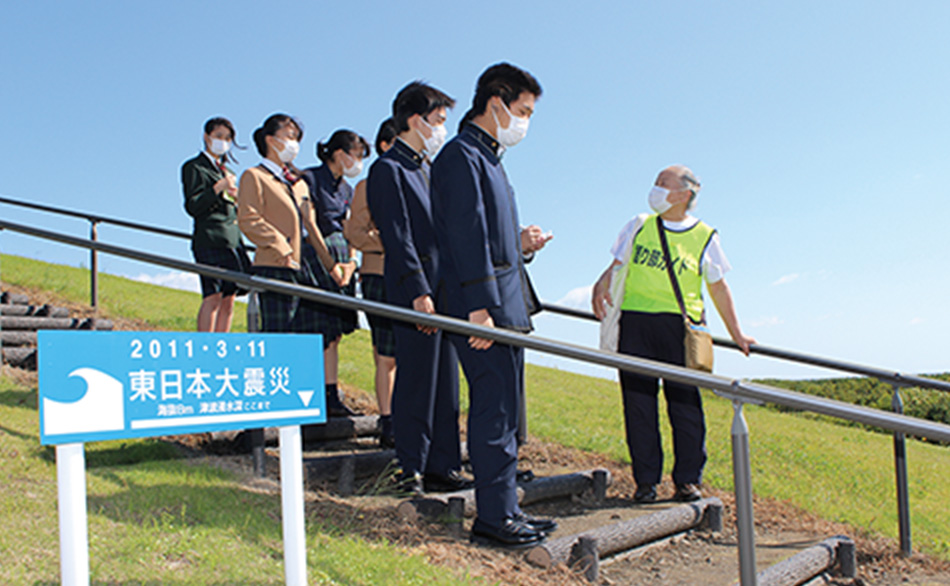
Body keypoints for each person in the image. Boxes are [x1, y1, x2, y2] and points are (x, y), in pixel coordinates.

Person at [430, 63, 555, 548]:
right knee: (493, 412)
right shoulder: (462, 156)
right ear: (496, 103)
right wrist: (478, 308)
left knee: (506, 411)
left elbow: (490, 237)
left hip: (503, 303)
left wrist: (521, 244)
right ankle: (494, 518)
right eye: (522, 110)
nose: (525, 121)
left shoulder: (489, 159)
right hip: (482, 309)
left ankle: (507, 508)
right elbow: (465, 235)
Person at [591, 165, 756, 504]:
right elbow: (617, 266)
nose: (655, 188)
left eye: (662, 183)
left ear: (684, 193)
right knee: (639, 406)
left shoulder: (705, 236)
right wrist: (601, 282)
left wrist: (737, 334)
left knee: (685, 407)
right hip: (636, 324)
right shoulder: (639, 225)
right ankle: (646, 481)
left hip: (680, 328)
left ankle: (687, 480)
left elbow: (719, 287)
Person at [367, 82, 468, 494]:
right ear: (415, 120)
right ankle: (409, 467)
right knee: (416, 381)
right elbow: (398, 236)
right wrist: (418, 291)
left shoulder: (427, 169)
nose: (443, 129)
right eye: (439, 121)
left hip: (444, 291)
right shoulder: (387, 169)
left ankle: (443, 464)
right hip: (416, 292)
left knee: (446, 381)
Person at [237, 113, 340, 335]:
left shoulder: (298, 182)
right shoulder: (254, 176)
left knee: (310, 333)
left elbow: (310, 225)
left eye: (296, 138)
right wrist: (280, 245)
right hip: (276, 264)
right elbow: (248, 218)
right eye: (289, 136)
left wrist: (329, 265)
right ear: (271, 140)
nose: (294, 144)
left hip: (306, 263)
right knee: (278, 333)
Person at [301, 130, 369, 416]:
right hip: (318, 256)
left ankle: (331, 395)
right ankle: (311, 392)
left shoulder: (347, 190)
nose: (358, 163)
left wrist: (352, 263)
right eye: (356, 156)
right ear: (340, 154)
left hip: (344, 258)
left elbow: (352, 227)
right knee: (317, 329)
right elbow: (309, 222)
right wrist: (330, 264)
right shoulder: (310, 178)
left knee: (335, 333)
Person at [343, 118, 398, 447]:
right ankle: (388, 420)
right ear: (384, 146)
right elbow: (355, 233)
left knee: (410, 354)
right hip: (378, 273)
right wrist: (391, 242)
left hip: (414, 278)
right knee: (386, 353)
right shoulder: (367, 185)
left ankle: (406, 415)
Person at [181, 116, 248, 332]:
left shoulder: (228, 171)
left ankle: (222, 344)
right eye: (219, 136)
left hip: (232, 239)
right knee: (213, 295)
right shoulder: (194, 167)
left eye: (228, 138)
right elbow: (193, 205)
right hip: (209, 238)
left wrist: (237, 198)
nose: (223, 142)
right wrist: (217, 188)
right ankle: (206, 345)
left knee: (230, 297)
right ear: (206, 137)